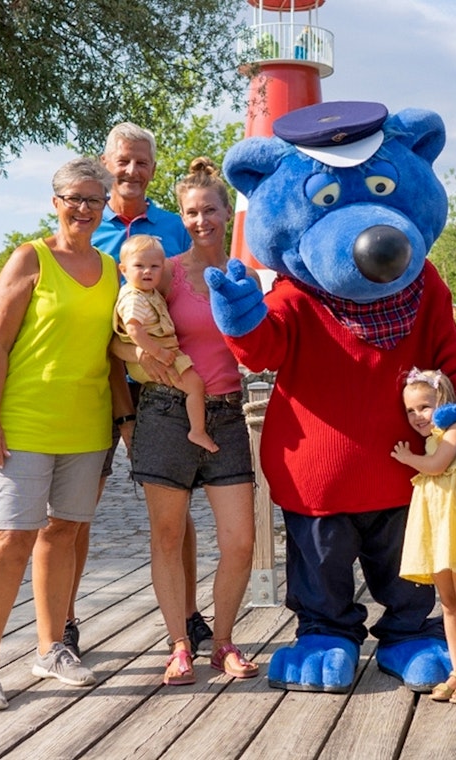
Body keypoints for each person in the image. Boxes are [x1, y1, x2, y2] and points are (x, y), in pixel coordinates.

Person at [0, 156, 128, 712]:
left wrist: (125, 420)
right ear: (54, 203)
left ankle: (52, 648)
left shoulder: (111, 270)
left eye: (94, 200)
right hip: (23, 424)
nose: (84, 208)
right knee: (8, 540)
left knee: (63, 535)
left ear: (106, 205)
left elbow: (114, 356)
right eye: (74, 198)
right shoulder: (29, 258)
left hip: (87, 428)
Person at [59, 122, 212, 661]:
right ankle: (65, 621)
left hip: (164, 391)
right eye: (122, 161)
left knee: (176, 510)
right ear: (105, 162)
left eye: (142, 162)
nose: (131, 171)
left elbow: (192, 298)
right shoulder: (84, 230)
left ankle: (189, 616)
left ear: (152, 167)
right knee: (77, 510)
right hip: (97, 391)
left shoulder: (173, 229)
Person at [121, 157, 260, 685]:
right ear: (182, 218)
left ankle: (222, 640)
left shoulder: (243, 274)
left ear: (227, 213)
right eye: (190, 212)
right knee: (167, 536)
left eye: (209, 210)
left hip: (226, 414)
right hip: (165, 411)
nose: (200, 220)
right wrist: (134, 347)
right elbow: (123, 326)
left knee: (240, 541)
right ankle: (180, 642)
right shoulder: (164, 271)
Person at [392, 368, 456, 706]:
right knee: (447, 604)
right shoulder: (431, 437)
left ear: (442, 400)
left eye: (424, 406)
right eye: (410, 410)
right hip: (438, 531)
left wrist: (408, 459)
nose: (417, 416)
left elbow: (436, 466)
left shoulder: (455, 429)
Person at [115, 234, 218, 453]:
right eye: (139, 266)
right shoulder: (134, 297)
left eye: (154, 266)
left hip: (156, 353)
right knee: (195, 386)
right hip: (153, 358)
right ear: (123, 270)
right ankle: (197, 431)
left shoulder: (147, 293)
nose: (147, 271)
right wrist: (157, 353)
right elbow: (133, 328)